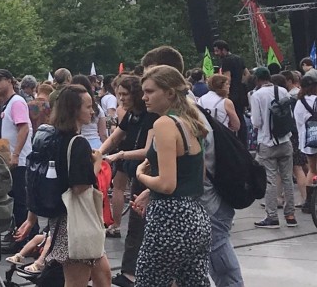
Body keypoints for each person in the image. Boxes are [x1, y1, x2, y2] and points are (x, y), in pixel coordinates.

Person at [133, 66, 211, 286]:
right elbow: (198, 174)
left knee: (149, 281)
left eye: (150, 91)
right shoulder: (190, 122)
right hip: (196, 218)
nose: (144, 97)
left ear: (169, 92)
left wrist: (141, 176)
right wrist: (151, 190)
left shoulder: (164, 124)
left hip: (169, 219)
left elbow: (167, 185)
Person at [42, 85, 112, 287]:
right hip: (77, 221)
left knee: (103, 274)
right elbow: (80, 186)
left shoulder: (55, 138)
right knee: (76, 281)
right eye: (88, 106)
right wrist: (98, 163)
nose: (92, 111)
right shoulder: (78, 142)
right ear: (74, 109)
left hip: (66, 217)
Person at [99, 76, 158, 287]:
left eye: (125, 94)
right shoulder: (132, 115)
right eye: (119, 94)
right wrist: (99, 152)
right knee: (136, 223)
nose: (120, 98)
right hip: (138, 172)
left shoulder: (152, 117)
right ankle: (131, 271)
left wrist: (120, 155)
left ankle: (133, 272)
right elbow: (115, 136)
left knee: (139, 223)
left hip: (148, 173)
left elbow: (148, 150)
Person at [0, 69, 32, 247]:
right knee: (13, 201)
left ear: (9, 81)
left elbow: (24, 129)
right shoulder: (1, 106)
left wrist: (16, 154)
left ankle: (25, 239)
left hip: (18, 162)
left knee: (21, 202)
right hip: (5, 160)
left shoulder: (17, 102)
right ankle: (18, 236)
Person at [250, 67, 298, 228]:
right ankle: (290, 215)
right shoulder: (283, 91)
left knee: (270, 180)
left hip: (267, 142)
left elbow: (256, 122)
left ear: (257, 79)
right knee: (287, 179)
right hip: (285, 140)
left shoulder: (257, 95)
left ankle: (272, 216)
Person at [213, 40, 249, 144]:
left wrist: (226, 91)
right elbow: (247, 74)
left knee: (233, 119)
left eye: (217, 51)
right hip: (242, 93)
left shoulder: (226, 61)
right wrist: (241, 84)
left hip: (233, 94)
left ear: (223, 50)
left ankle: (236, 143)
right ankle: (244, 143)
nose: (216, 54)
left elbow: (227, 78)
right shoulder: (239, 58)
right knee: (241, 118)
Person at [294, 70, 317, 213]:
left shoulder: (299, 103)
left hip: (307, 139)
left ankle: (309, 202)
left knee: (312, 170)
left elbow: (298, 123)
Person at [72, 75, 108, 149]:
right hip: (96, 144)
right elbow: (103, 134)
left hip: (76, 144)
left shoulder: (69, 108)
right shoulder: (97, 108)